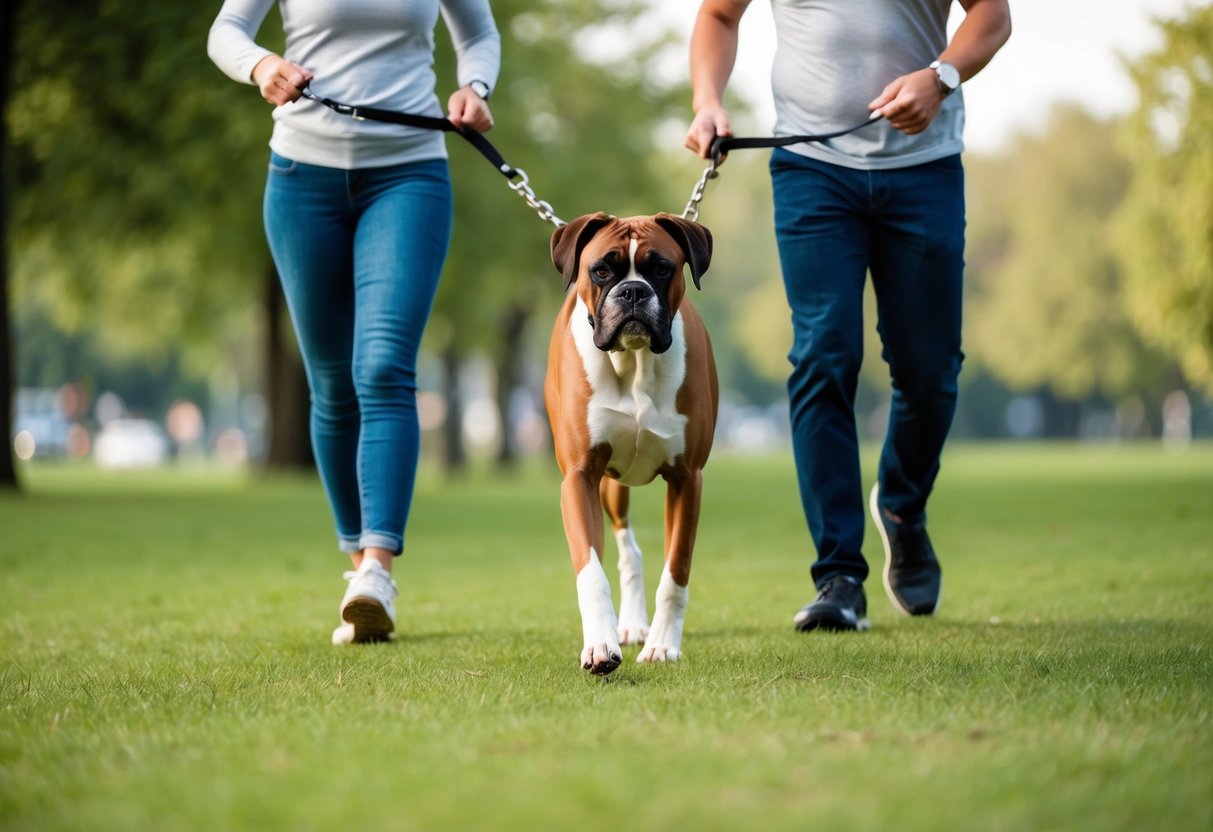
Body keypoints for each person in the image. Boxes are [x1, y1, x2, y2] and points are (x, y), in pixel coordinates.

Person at [685, 1, 1011, 631]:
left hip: (924, 171)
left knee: (929, 372)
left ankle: (901, 503)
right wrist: (708, 99)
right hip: (811, 170)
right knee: (823, 354)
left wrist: (940, 76)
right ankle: (838, 575)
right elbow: (719, 16)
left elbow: (993, 17)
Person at [208, 0, 501, 645]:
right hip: (300, 178)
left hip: (409, 174)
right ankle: (361, 577)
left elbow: (478, 32)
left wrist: (475, 87)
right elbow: (226, 30)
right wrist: (261, 65)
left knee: (384, 366)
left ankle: (377, 568)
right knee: (332, 384)